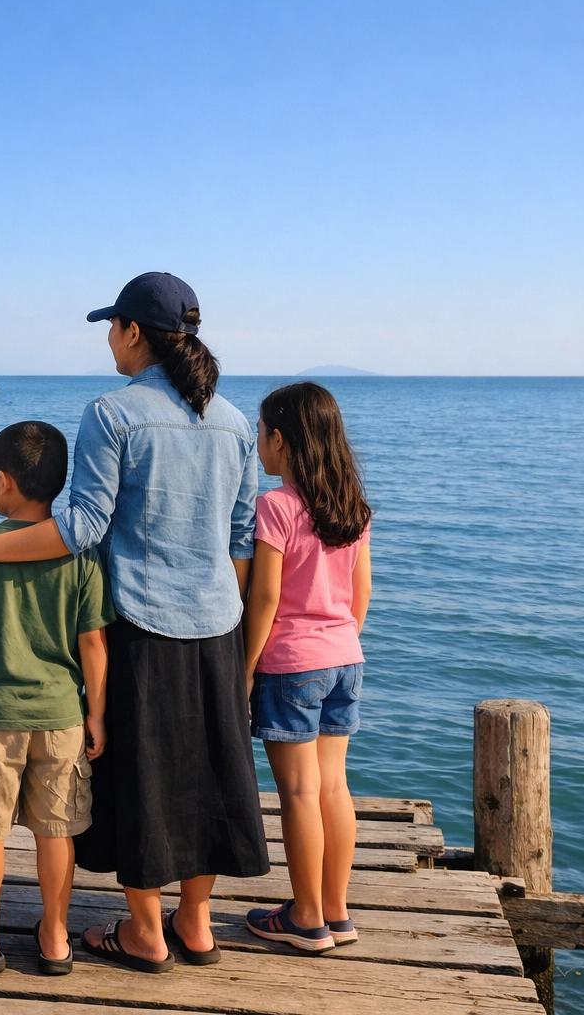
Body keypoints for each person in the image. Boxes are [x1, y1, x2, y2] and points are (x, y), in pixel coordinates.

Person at [0, 272, 269, 973]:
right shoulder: (235, 422)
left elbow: (82, 528)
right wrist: (226, 615)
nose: (108, 341)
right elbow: (241, 537)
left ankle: (147, 933)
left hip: (143, 626)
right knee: (208, 776)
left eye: (111, 327)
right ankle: (196, 923)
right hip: (218, 625)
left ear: (133, 332)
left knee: (145, 780)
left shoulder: (112, 414)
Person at [0, 420, 113, 977]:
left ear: (3, 482)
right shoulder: (81, 556)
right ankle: (56, 937)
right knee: (56, 828)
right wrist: (96, 713)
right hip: (61, 718)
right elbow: (93, 642)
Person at [242, 382, 373, 954]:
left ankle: (305, 917)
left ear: (281, 439)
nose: (258, 445)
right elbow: (360, 594)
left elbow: (265, 600)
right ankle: (337, 911)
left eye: (261, 434)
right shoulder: (352, 505)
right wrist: (338, 641)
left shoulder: (275, 507)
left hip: (291, 663)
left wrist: (245, 669)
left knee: (296, 792)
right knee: (333, 787)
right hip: (345, 656)